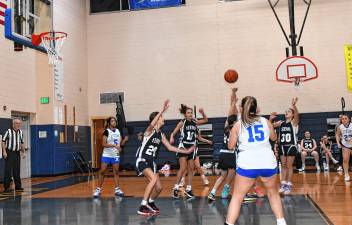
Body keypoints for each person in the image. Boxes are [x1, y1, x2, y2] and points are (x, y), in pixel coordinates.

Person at [224, 96, 286, 225]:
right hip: (267, 162)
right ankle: (281, 222)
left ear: (242, 108)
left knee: (237, 197)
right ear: (256, 108)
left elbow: (230, 146)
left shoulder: (238, 124)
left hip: (248, 163)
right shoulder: (265, 121)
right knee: (273, 194)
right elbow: (274, 138)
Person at [136, 100, 195, 215]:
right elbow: (152, 123)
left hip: (152, 163)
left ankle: (151, 202)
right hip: (142, 160)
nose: (163, 119)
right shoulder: (149, 131)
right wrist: (162, 110)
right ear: (157, 119)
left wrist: (186, 150)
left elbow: (170, 147)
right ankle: (142, 205)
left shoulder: (161, 134)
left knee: (159, 188)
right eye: (162, 117)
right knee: (153, 180)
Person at [170, 104, 208, 199]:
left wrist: (202, 113)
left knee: (191, 168)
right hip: (183, 146)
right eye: (188, 113)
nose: (190, 114)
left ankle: (188, 188)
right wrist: (171, 137)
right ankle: (175, 188)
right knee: (183, 168)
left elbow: (206, 120)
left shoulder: (195, 122)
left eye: (191, 113)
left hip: (192, 147)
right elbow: (173, 132)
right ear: (185, 115)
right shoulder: (182, 122)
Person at [208, 88, 238, 201]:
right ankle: (227, 188)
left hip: (222, 153)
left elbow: (230, 112)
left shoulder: (226, 126)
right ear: (235, 122)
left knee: (222, 175)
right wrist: (234, 99)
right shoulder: (237, 128)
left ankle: (212, 192)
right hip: (231, 153)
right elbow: (232, 112)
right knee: (234, 171)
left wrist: (233, 98)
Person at [93, 117, 124, 198]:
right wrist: (113, 145)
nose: (114, 122)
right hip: (107, 155)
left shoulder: (118, 131)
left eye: (115, 121)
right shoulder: (106, 132)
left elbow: (119, 142)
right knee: (102, 171)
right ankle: (98, 190)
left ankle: (117, 189)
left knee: (116, 171)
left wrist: (121, 145)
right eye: (112, 121)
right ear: (109, 123)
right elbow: (103, 144)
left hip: (115, 154)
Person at [276, 97, 299, 195]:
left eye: (289, 111)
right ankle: (283, 183)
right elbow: (270, 126)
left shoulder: (294, 123)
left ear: (292, 114)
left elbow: (297, 115)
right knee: (284, 166)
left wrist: (294, 106)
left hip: (291, 146)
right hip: (282, 146)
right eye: (286, 111)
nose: (286, 112)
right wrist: (271, 120)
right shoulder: (281, 123)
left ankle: (289, 184)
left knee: (289, 166)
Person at [1, 119, 26, 192]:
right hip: (9, 152)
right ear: (13, 124)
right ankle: (7, 187)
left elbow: (22, 143)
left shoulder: (21, 132)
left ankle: (18, 186)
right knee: (8, 170)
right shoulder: (8, 131)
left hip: (17, 152)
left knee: (17, 170)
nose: (18, 125)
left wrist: (23, 152)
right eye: (17, 123)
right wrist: (4, 151)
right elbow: (3, 142)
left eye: (19, 123)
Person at [335, 114, 352, 181]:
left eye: (345, 118)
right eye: (343, 119)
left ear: (349, 119)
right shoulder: (340, 127)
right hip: (345, 145)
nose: (344, 120)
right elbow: (337, 135)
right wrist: (338, 143)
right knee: (345, 160)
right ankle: (346, 174)